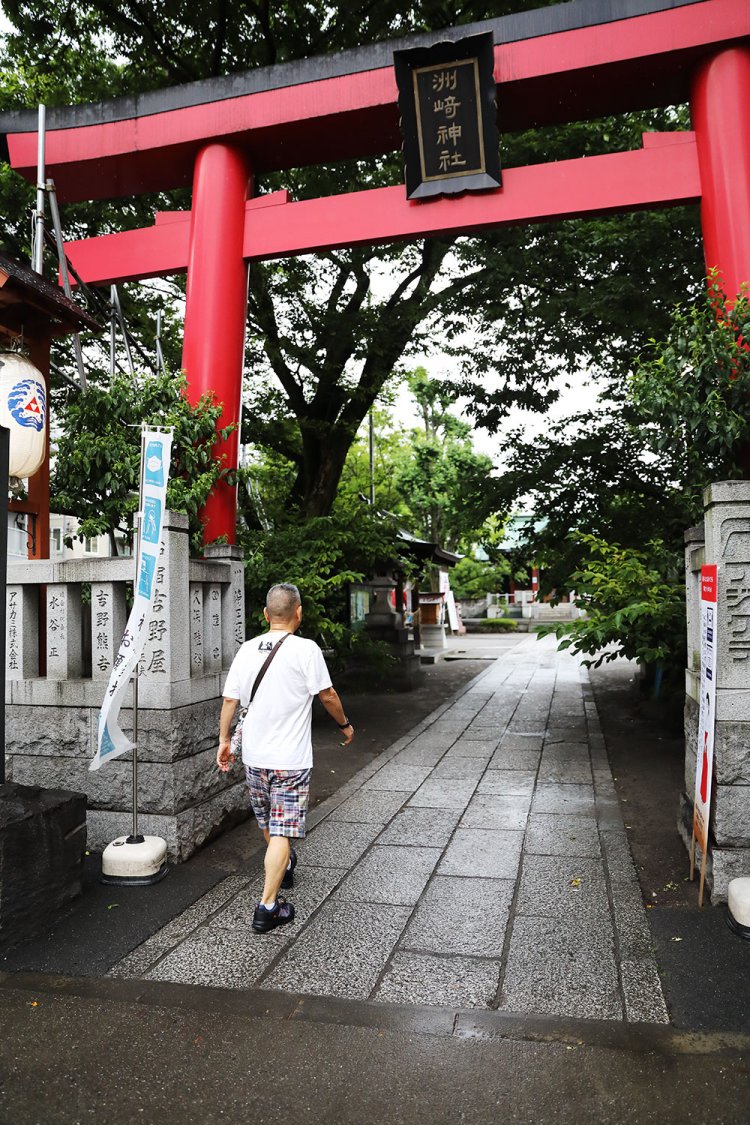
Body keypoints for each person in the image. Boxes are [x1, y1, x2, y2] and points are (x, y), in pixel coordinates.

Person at [216, 583, 354, 934]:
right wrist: (345, 725)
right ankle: (267, 907)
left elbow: (230, 701)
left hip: (255, 756)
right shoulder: (306, 650)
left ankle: (285, 863)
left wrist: (223, 741)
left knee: (267, 821)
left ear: (266, 615)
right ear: (299, 612)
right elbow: (328, 694)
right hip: (290, 759)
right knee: (281, 830)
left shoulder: (246, 649)